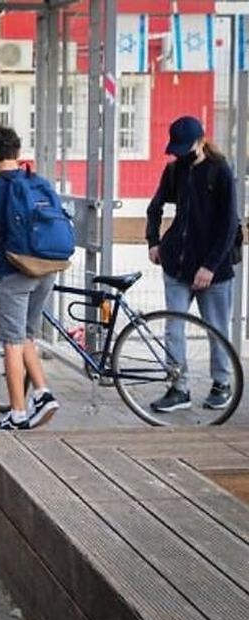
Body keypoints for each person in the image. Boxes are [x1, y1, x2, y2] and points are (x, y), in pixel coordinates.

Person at [146, 115, 241, 412]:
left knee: (216, 328)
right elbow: (155, 206)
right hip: (177, 265)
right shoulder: (175, 170)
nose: (180, 153)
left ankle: (221, 384)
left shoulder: (220, 171)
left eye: (186, 147)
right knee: (174, 328)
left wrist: (210, 266)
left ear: (201, 141)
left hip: (214, 270)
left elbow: (228, 225)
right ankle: (178, 387)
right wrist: (154, 242)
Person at [0, 126, 60, 432]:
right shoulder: (37, 181)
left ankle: (18, 414)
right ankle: (42, 392)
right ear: (17, 153)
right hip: (47, 268)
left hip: (16, 270)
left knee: (11, 341)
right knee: (25, 336)